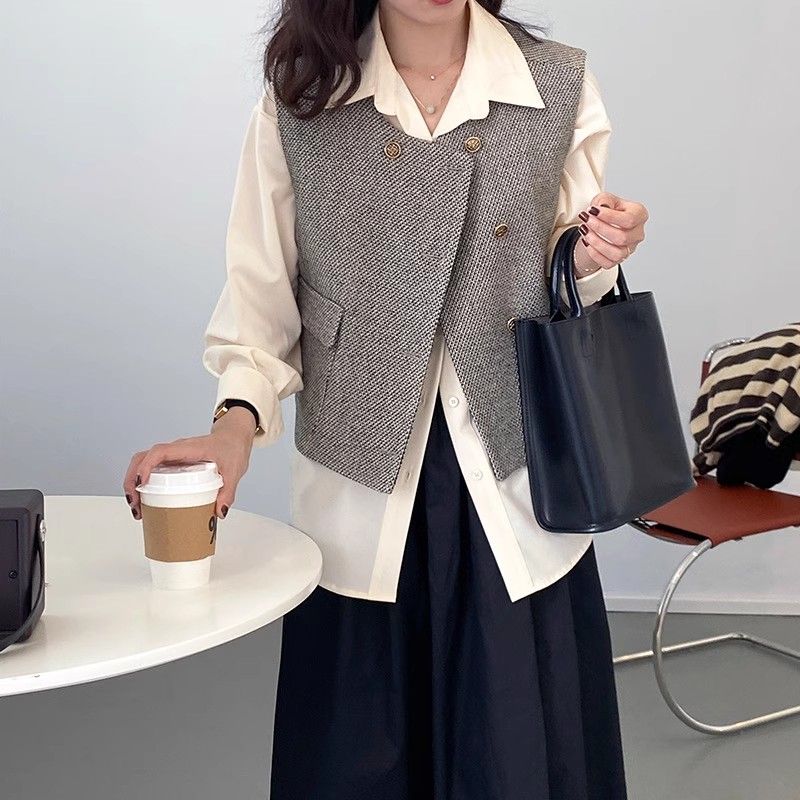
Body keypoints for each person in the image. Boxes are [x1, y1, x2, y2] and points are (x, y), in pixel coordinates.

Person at [124, 0, 648, 796]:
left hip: (511, 484)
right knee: (360, 763)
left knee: (512, 760)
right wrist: (233, 427)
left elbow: (560, 273)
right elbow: (261, 299)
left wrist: (595, 252)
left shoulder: (556, 82)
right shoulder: (301, 96)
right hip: (360, 488)